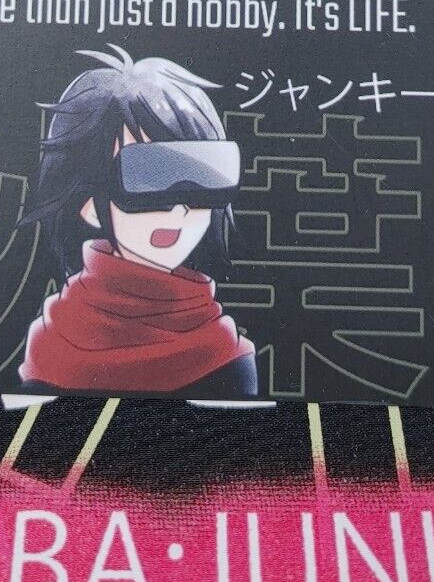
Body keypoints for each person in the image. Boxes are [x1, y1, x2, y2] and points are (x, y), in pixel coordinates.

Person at [19, 46, 258, 398]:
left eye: (200, 175)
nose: (179, 208)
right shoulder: (52, 343)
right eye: (148, 175)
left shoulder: (224, 353)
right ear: (88, 203)